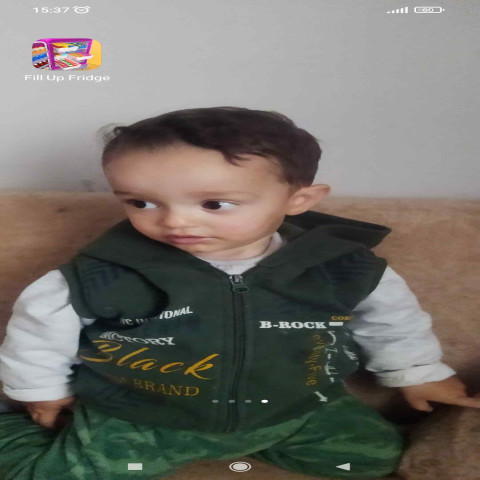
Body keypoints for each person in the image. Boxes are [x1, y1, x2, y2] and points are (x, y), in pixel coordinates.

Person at [0, 106, 479, 480]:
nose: (174, 220)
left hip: (298, 408)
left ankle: (247, 441)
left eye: (214, 203)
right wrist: (41, 392)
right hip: (143, 417)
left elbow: (393, 321)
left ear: (299, 200)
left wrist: (417, 373)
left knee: (375, 458)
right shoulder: (100, 273)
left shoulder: (342, 267)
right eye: (140, 202)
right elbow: (38, 336)